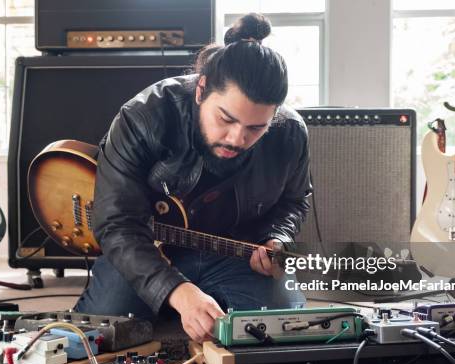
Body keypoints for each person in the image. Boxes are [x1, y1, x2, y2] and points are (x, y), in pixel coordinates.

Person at [74, 13, 311, 343]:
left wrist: (277, 239)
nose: (236, 138)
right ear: (201, 90)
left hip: (233, 253)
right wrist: (176, 290)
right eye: (225, 119)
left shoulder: (290, 133)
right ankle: (175, 302)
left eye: (256, 128)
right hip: (145, 249)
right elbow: (117, 223)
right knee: (98, 337)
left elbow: (294, 201)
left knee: (286, 332)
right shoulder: (142, 116)